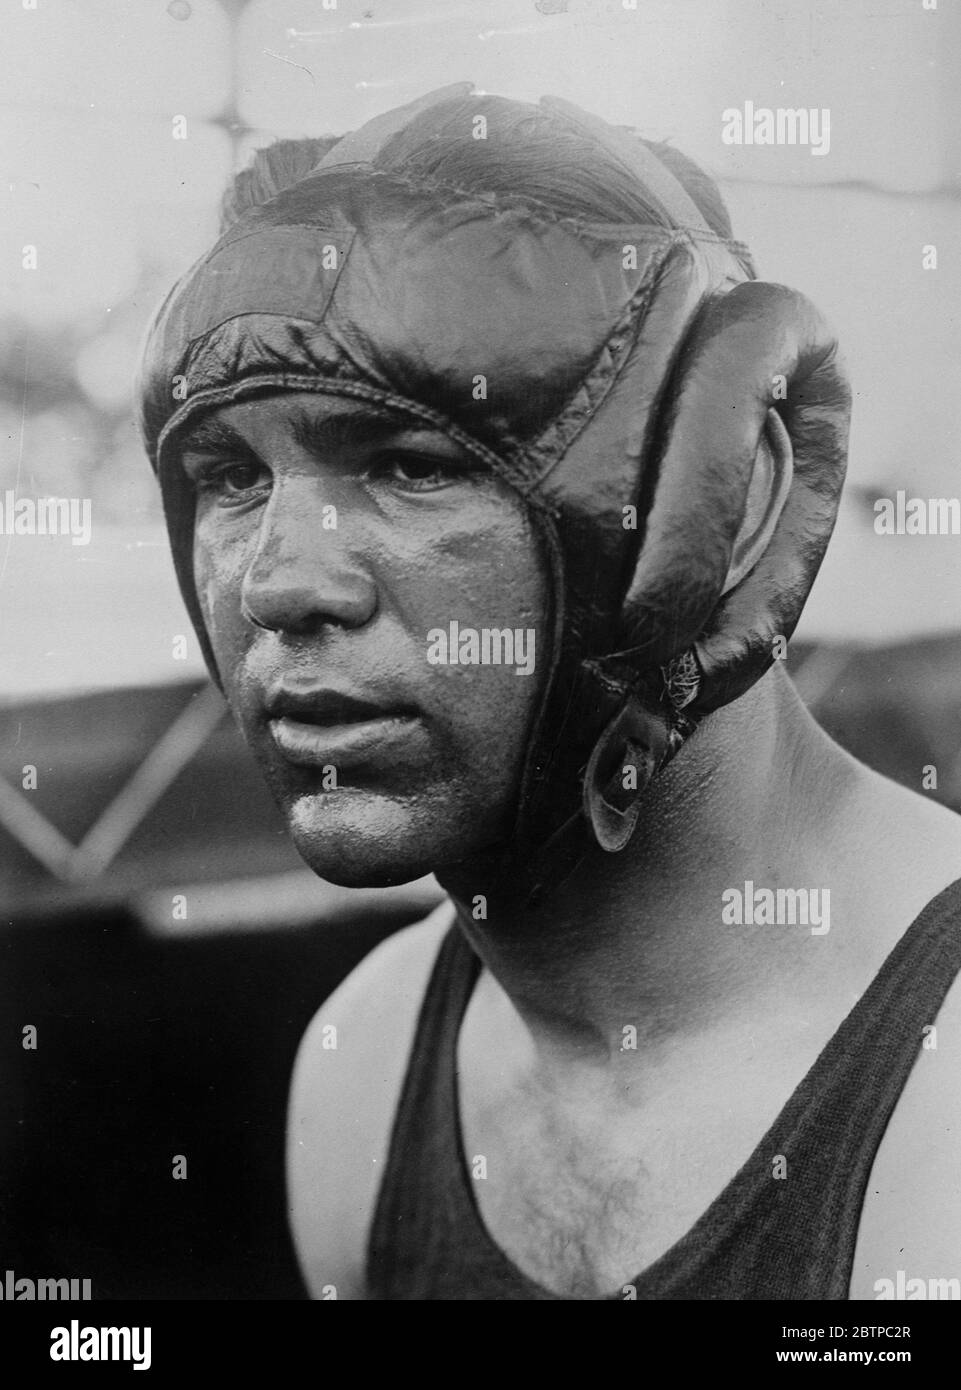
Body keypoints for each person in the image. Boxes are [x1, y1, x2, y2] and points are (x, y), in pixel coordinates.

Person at [138, 85, 961, 1301]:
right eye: (229, 477)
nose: (279, 585)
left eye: (411, 465)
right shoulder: (363, 1067)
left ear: (720, 503)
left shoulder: (938, 1114)